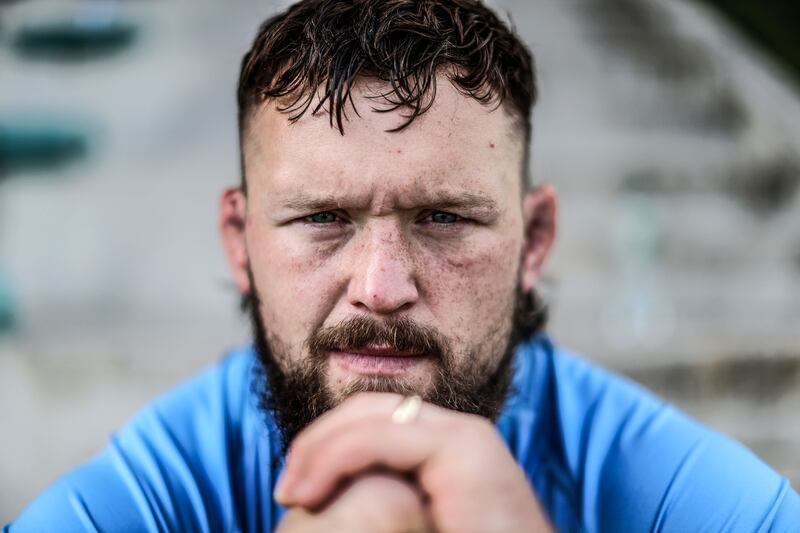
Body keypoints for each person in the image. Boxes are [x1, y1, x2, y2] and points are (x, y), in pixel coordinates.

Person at [6, 0, 799, 531]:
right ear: (239, 243)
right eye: (322, 218)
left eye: (445, 218)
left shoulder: (701, 502)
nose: (381, 288)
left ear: (537, 237)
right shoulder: (146, 498)